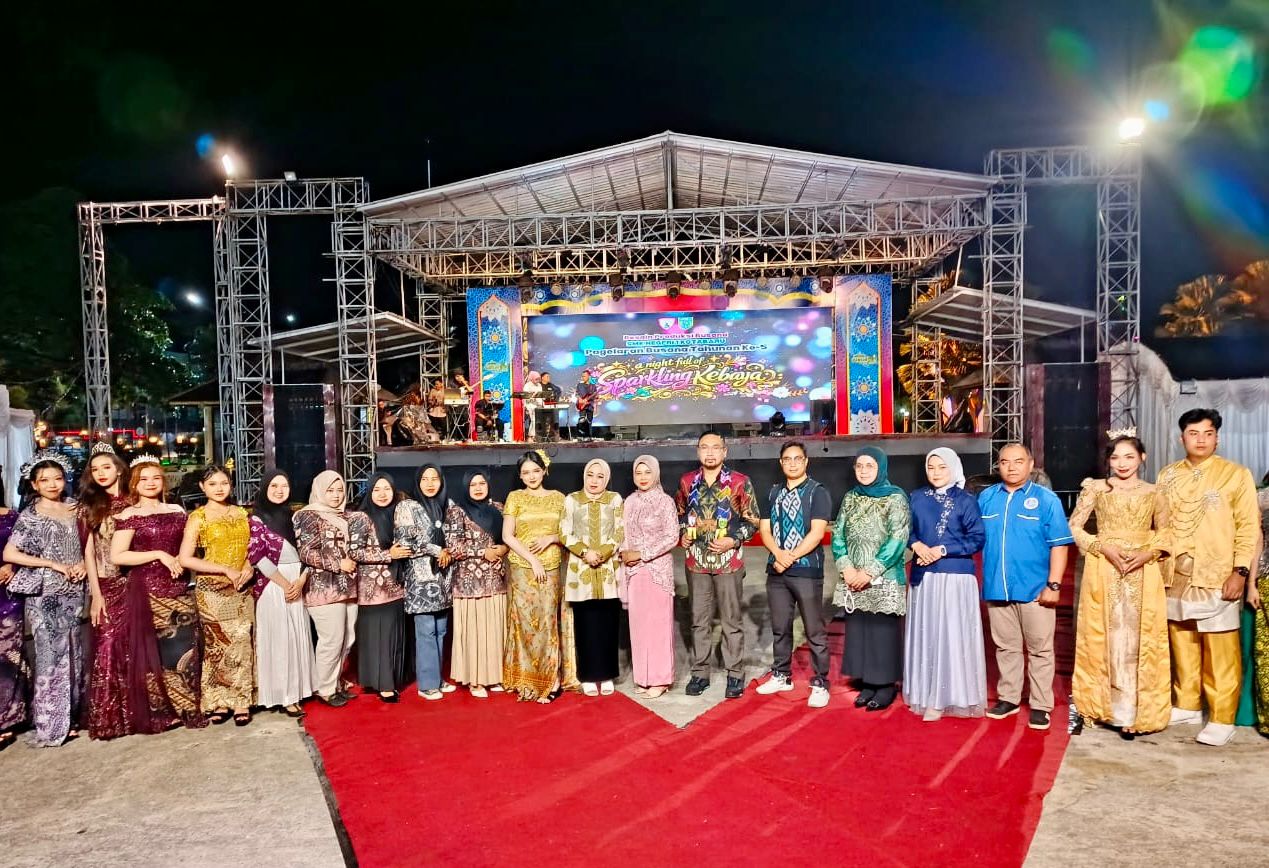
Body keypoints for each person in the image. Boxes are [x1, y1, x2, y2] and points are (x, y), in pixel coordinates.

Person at [1156, 408, 1259, 746]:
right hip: (1174, 571)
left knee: (1220, 647)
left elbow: (1249, 527)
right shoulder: (1168, 475)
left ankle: (1222, 716)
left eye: (1208, 433)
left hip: (1217, 572)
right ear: (1181, 438)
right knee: (1182, 638)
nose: (1200, 440)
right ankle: (1187, 703)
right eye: (1193, 433)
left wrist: (1240, 571)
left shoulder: (1235, 474)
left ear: (1217, 437)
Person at [1068, 434, 1171, 736]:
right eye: (1115, 457)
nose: (1122, 463)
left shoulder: (1155, 491)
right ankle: (1106, 707)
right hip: (1104, 567)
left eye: (1129, 456)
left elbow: (1166, 532)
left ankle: (1136, 712)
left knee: (1140, 637)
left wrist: (1149, 553)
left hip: (1144, 569)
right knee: (1106, 634)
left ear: (1142, 458)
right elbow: (1074, 526)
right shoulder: (1096, 488)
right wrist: (1101, 547)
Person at [978, 443, 1073, 732]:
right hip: (997, 586)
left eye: (1018, 461)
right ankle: (1009, 698)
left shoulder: (1046, 500)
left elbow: (1059, 546)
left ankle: (1041, 704)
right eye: (1005, 462)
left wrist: (1053, 585)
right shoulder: (986, 498)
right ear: (998, 465)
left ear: (1031, 465)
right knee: (1005, 647)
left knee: (1040, 649)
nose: (1011, 467)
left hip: (1035, 589)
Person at [84, 450, 178, 739]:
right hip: (107, 582)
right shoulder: (91, 506)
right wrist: (96, 594)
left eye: (106, 467)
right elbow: (89, 552)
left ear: (119, 469)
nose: (101, 473)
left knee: (138, 647)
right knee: (108, 644)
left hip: (137, 581)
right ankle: (110, 718)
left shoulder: (135, 500)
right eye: (95, 469)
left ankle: (141, 712)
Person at [4, 451, 89, 745]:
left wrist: (82, 564)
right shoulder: (30, 515)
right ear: (34, 484)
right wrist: (52, 564)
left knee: (74, 652)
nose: (52, 484)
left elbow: (89, 545)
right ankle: (51, 723)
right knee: (50, 656)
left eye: (57, 478)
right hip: (45, 593)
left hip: (75, 590)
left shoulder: (77, 508)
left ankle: (72, 718)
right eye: (44, 480)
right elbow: (10, 553)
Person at [112, 464, 203, 727]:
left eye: (155, 478)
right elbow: (117, 556)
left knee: (186, 648)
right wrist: (159, 554)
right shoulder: (129, 514)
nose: (150, 483)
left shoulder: (177, 510)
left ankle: (188, 706)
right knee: (159, 652)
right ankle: (164, 710)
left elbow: (189, 548)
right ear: (134, 483)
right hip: (149, 589)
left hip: (179, 586)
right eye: (143, 479)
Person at [903, 448, 987, 721]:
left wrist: (941, 550)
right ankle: (926, 693)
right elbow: (907, 530)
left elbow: (977, 539)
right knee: (927, 633)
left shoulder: (966, 500)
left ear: (954, 468)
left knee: (950, 635)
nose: (936, 473)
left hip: (955, 578)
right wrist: (916, 545)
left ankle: (949, 698)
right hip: (924, 576)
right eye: (931, 467)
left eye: (942, 467)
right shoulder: (916, 497)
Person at [675, 431, 760, 699]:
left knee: (731, 620)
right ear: (698, 451)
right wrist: (682, 534)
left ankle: (735, 674)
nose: (710, 452)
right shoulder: (687, 481)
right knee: (698, 621)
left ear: (725, 451)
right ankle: (700, 673)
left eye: (715, 447)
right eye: (704, 447)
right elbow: (679, 515)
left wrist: (733, 540)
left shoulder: (740, 482)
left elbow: (753, 521)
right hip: (696, 562)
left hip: (728, 562)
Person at [831, 446, 912, 712]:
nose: (864, 471)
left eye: (870, 466)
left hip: (883, 577)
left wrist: (869, 572)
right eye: (859, 466)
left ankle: (885, 685)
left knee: (882, 632)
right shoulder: (851, 497)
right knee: (860, 630)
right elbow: (838, 533)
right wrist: (847, 569)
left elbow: (898, 538)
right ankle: (867, 681)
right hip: (853, 576)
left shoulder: (895, 497)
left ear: (881, 468)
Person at [756, 441, 833, 708]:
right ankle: (781, 675)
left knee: (814, 630)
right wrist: (779, 555)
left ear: (806, 461)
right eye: (787, 459)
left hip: (807, 570)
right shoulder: (772, 493)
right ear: (781, 463)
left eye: (797, 458)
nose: (792, 463)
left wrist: (790, 556)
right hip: (776, 570)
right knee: (780, 628)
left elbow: (817, 533)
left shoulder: (817, 492)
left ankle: (820, 683)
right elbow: (764, 530)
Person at [179, 466, 255, 726]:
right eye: (212, 484)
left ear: (231, 485)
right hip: (211, 590)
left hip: (241, 587)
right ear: (203, 487)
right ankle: (218, 700)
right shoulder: (198, 517)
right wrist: (224, 569)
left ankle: (242, 699)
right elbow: (186, 558)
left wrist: (248, 566)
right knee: (217, 646)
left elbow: (252, 548)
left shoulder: (242, 513)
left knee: (242, 641)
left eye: (224, 483)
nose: (219, 488)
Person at [502, 451, 572, 702]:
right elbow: (507, 536)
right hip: (522, 568)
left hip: (551, 567)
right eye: (526, 473)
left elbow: (569, 533)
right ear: (520, 476)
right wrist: (532, 560)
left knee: (547, 622)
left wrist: (551, 538)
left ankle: (552, 680)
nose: (531, 476)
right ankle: (526, 678)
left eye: (535, 471)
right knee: (524, 623)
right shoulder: (515, 497)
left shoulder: (559, 498)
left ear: (544, 471)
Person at [247, 469, 315, 717]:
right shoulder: (257, 518)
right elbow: (257, 557)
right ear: (265, 488)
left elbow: (309, 552)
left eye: (284, 486)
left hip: (298, 580)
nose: (279, 491)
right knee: (280, 639)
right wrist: (286, 585)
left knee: (297, 637)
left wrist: (301, 580)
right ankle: (283, 695)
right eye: (273, 486)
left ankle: (299, 689)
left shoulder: (294, 516)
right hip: (273, 585)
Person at [294, 470, 359, 707]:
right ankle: (325, 688)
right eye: (330, 490)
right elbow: (306, 552)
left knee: (348, 638)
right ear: (320, 491)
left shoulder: (344, 515)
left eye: (339, 490)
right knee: (332, 639)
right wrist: (338, 564)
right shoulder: (308, 515)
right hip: (322, 586)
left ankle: (335, 681)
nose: (335, 495)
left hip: (347, 585)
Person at [443, 470, 509, 698]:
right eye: (473, 485)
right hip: (469, 583)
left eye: (482, 483)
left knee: (494, 630)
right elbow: (453, 546)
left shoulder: (498, 508)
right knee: (474, 632)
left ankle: (494, 676)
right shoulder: (456, 511)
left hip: (496, 580)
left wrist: (503, 548)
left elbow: (507, 538)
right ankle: (475, 680)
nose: (478, 488)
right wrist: (483, 552)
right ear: (466, 487)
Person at [561, 459, 624, 696]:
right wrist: (585, 552)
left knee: (608, 623)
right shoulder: (572, 500)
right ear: (584, 477)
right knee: (585, 624)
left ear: (606, 479)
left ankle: (607, 675)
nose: (594, 481)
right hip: (581, 569)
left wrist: (604, 552)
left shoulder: (615, 499)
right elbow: (564, 532)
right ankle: (587, 675)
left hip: (608, 571)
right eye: (590, 475)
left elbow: (620, 530)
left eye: (600, 476)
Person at [349, 473, 413, 702]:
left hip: (397, 588)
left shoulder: (398, 516)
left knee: (393, 637)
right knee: (378, 639)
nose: (382, 494)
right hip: (373, 591)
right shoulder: (361, 517)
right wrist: (388, 555)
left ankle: (392, 679)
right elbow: (354, 552)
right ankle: (383, 684)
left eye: (387, 489)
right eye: (377, 489)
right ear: (370, 492)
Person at [619, 455, 679, 699]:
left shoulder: (665, 502)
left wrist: (641, 554)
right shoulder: (629, 501)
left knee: (658, 625)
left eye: (647, 472)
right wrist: (625, 554)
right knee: (639, 626)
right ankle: (642, 677)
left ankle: (661, 679)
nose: (643, 477)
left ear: (656, 474)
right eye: (638, 473)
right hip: (634, 571)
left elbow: (672, 537)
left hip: (657, 570)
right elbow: (622, 533)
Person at [395, 465, 456, 700]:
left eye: (434, 478)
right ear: (417, 482)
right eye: (425, 479)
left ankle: (437, 678)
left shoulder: (446, 505)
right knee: (426, 630)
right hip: (421, 580)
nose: (430, 483)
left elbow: (455, 535)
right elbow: (405, 542)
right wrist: (437, 550)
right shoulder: (407, 507)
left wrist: (449, 550)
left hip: (443, 577)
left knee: (441, 630)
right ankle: (427, 684)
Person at [0, 486, 31, 750]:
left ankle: (8, 718)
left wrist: (12, 565)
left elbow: (27, 549)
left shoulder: (11, 516)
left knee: (10, 654)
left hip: (7, 594)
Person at [1242, 475, 1268, 736]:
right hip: (1267, 579)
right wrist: (1251, 583)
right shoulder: (1263, 497)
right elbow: (1256, 541)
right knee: (1264, 651)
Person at [575, 370, 598, 440]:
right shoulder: (579, 385)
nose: (583, 377)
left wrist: (594, 398)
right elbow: (576, 394)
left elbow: (595, 396)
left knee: (589, 421)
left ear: (589, 376)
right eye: (582, 376)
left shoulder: (593, 386)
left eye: (584, 376)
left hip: (590, 406)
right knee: (581, 420)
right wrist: (580, 399)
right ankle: (581, 436)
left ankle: (589, 437)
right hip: (581, 405)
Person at [539, 373, 562, 441]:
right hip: (541, 406)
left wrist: (556, 399)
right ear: (542, 378)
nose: (549, 378)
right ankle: (542, 436)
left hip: (551, 405)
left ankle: (553, 436)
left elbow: (559, 390)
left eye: (549, 377)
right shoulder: (539, 385)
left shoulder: (551, 385)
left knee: (553, 420)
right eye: (547, 377)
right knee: (543, 421)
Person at [523, 371, 544, 441]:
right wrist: (532, 396)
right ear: (532, 378)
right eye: (536, 379)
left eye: (538, 379)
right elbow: (525, 396)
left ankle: (536, 435)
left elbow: (541, 395)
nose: (537, 380)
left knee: (539, 420)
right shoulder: (527, 385)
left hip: (538, 404)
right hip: (530, 404)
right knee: (534, 420)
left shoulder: (539, 385)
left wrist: (542, 402)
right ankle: (531, 436)